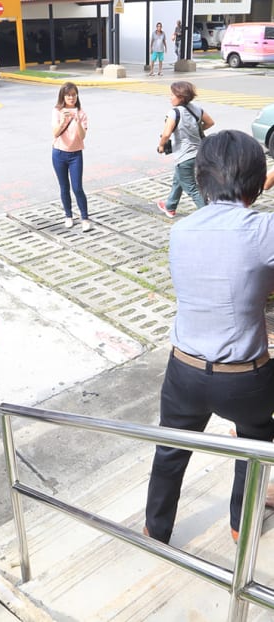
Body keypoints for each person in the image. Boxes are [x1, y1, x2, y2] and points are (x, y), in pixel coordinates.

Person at [144, 130, 274, 545]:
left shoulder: (182, 230)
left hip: (183, 370)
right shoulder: (263, 229)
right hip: (244, 379)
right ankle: (242, 525)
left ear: (200, 178)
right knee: (255, 448)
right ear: (256, 181)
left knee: (170, 450)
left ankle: (155, 529)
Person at [156, 81, 215, 218]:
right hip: (199, 153)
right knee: (178, 179)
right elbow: (210, 122)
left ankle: (209, 215)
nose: (170, 97)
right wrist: (195, 130)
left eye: (172, 95)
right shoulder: (197, 109)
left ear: (181, 97)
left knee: (192, 188)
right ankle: (170, 207)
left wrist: (161, 146)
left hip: (185, 156)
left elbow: (166, 134)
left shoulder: (174, 112)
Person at [51, 82, 91, 232]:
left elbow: (82, 136)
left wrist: (77, 120)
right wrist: (63, 121)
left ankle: (85, 218)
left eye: (74, 94)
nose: (71, 97)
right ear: (63, 96)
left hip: (75, 154)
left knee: (77, 187)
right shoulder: (57, 111)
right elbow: (55, 133)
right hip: (58, 153)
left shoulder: (82, 113)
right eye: (68, 95)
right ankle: (68, 215)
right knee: (64, 187)